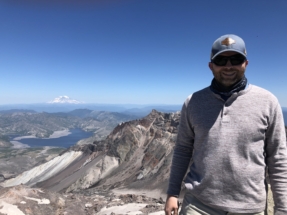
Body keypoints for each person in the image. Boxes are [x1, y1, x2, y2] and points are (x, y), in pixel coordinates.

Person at [164, 34, 287, 215]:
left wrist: (282, 209)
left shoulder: (268, 102)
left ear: (246, 63)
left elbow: (277, 158)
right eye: (221, 60)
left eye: (236, 59)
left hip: (249, 208)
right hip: (198, 205)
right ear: (211, 66)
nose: (228, 66)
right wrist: (172, 193)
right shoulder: (193, 102)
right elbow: (183, 149)